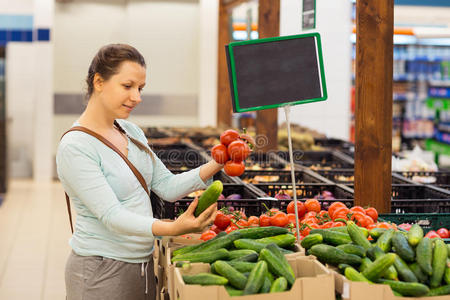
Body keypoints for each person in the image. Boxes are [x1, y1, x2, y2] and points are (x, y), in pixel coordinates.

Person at [56, 44, 224, 300]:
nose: (137, 97)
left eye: (140, 88)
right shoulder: (76, 146)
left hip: (142, 265)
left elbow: (167, 186)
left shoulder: (130, 132)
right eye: (128, 86)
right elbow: (112, 216)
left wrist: (218, 162)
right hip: (100, 270)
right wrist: (172, 228)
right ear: (99, 82)